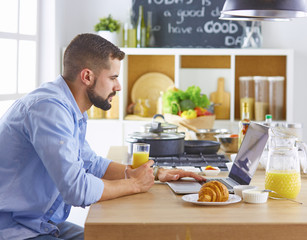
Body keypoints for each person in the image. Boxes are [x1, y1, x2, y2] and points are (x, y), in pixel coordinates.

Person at [0, 33, 205, 240]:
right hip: (16, 231)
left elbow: (91, 164)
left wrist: (149, 172)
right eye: (113, 78)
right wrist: (134, 184)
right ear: (87, 76)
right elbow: (76, 189)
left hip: (41, 224)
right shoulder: (49, 110)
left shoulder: (70, 109)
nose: (119, 87)